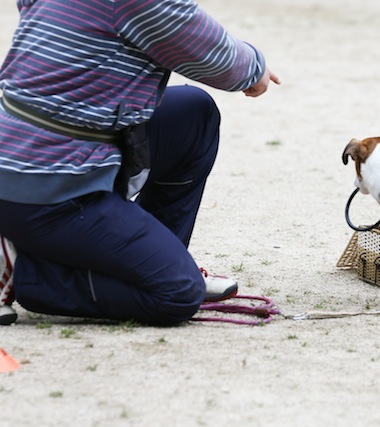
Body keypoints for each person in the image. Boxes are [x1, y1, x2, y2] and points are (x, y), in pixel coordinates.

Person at [0, 0, 280, 326]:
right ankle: (24, 270)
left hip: (34, 151)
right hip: (50, 180)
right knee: (178, 293)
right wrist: (254, 68)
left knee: (193, 114)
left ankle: (155, 257)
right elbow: (221, 61)